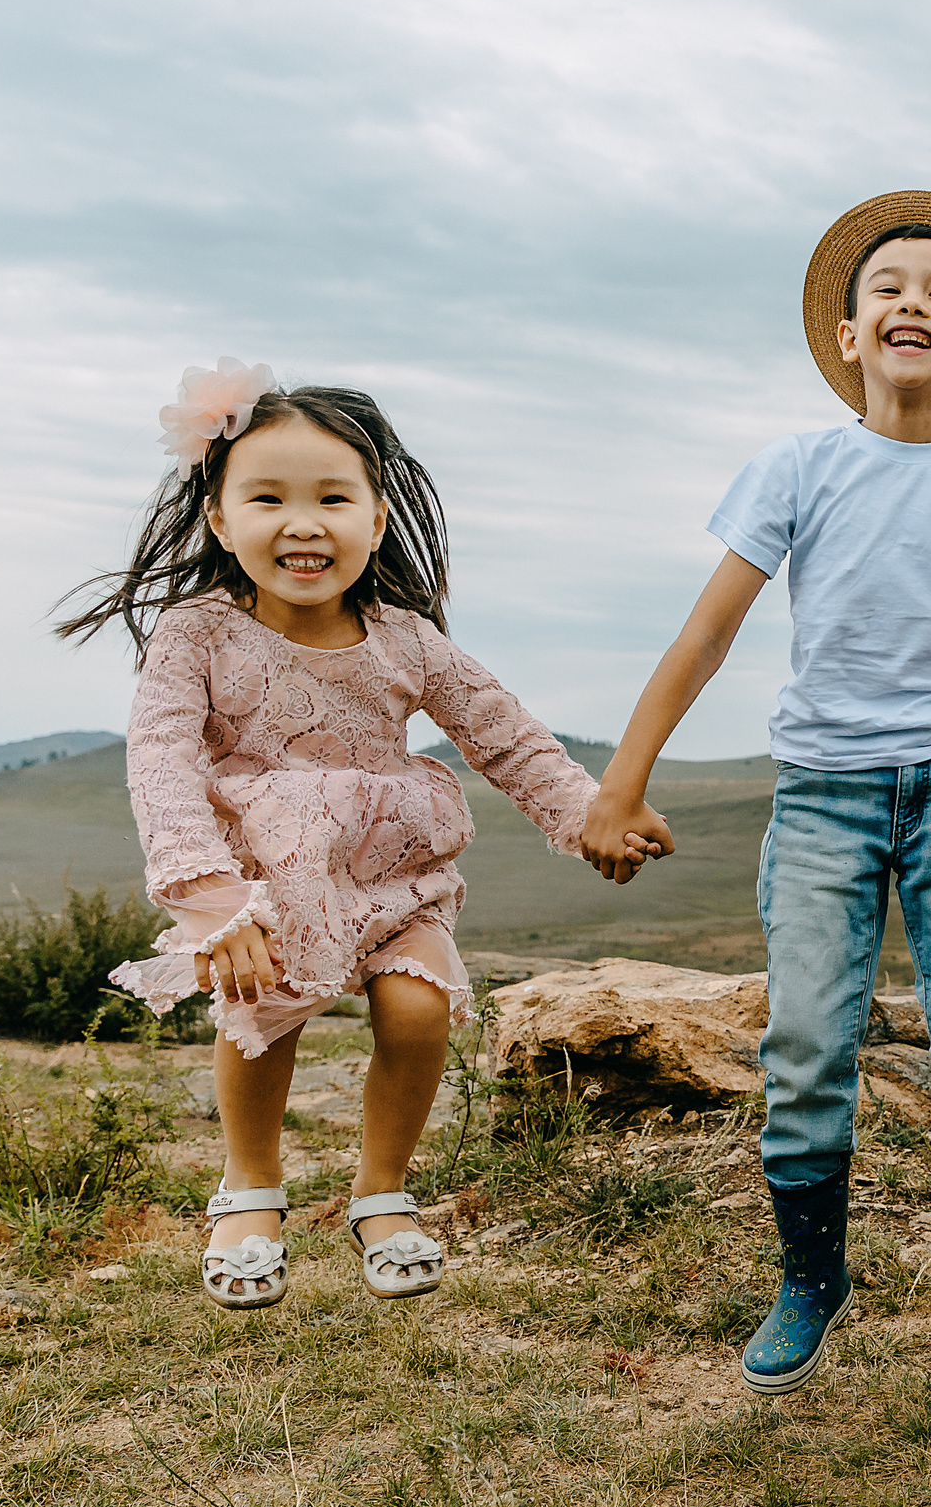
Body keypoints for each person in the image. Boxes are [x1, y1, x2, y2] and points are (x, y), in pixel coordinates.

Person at [580, 193, 931, 1401]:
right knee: (804, 1041)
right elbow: (706, 634)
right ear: (848, 337)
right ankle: (810, 1281)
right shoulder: (796, 468)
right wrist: (621, 782)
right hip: (824, 798)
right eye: (886, 287)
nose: (912, 302)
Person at [64, 360, 611, 1312]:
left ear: (377, 519)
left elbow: (504, 731)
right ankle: (250, 1189)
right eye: (268, 496)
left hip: (394, 871)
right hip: (263, 885)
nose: (303, 520)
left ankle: (382, 1193)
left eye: (333, 497)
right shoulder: (197, 633)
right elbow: (160, 759)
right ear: (221, 521)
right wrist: (211, 896)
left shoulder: (404, 636)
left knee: (415, 1011)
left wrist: (586, 814)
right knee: (262, 1013)